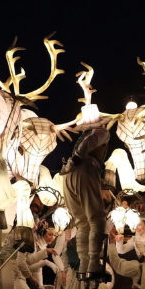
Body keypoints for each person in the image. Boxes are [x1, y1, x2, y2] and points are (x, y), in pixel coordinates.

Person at [60, 112, 112, 280]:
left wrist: (73, 161)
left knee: (82, 222)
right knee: (96, 218)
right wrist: (77, 158)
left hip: (69, 174)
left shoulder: (82, 138)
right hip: (84, 170)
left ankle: (84, 263)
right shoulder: (102, 132)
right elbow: (93, 140)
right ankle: (94, 263)